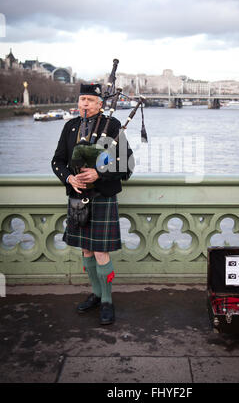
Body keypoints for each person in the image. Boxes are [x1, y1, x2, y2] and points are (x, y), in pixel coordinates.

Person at [51, 83, 134, 325]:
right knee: (86, 250)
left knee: (100, 251)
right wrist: (69, 177)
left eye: (90, 100)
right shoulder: (70, 126)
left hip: (102, 197)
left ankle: (107, 300)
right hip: (78, 197)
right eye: (82, 99)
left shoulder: (111, 126)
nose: (85, 104)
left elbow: (127, 164)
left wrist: (99, 174)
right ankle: (96, 295)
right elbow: (58, 160)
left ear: (100, 104)